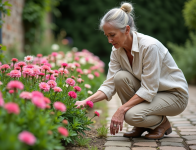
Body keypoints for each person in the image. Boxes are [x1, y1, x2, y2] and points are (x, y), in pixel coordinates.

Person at [75, 2, 189, 140]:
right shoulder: (116, 50)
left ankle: (161, 124)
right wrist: (86, 101)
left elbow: (148, 88)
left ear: (127, 30)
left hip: (174, 95)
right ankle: (141, 125)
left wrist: (121, 110)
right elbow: (110, 84)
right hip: (153, 92)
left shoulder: (149, 47)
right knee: (120, 77)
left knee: (130, 115)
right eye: (106, 36)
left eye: (112, 35)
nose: (109, 40)